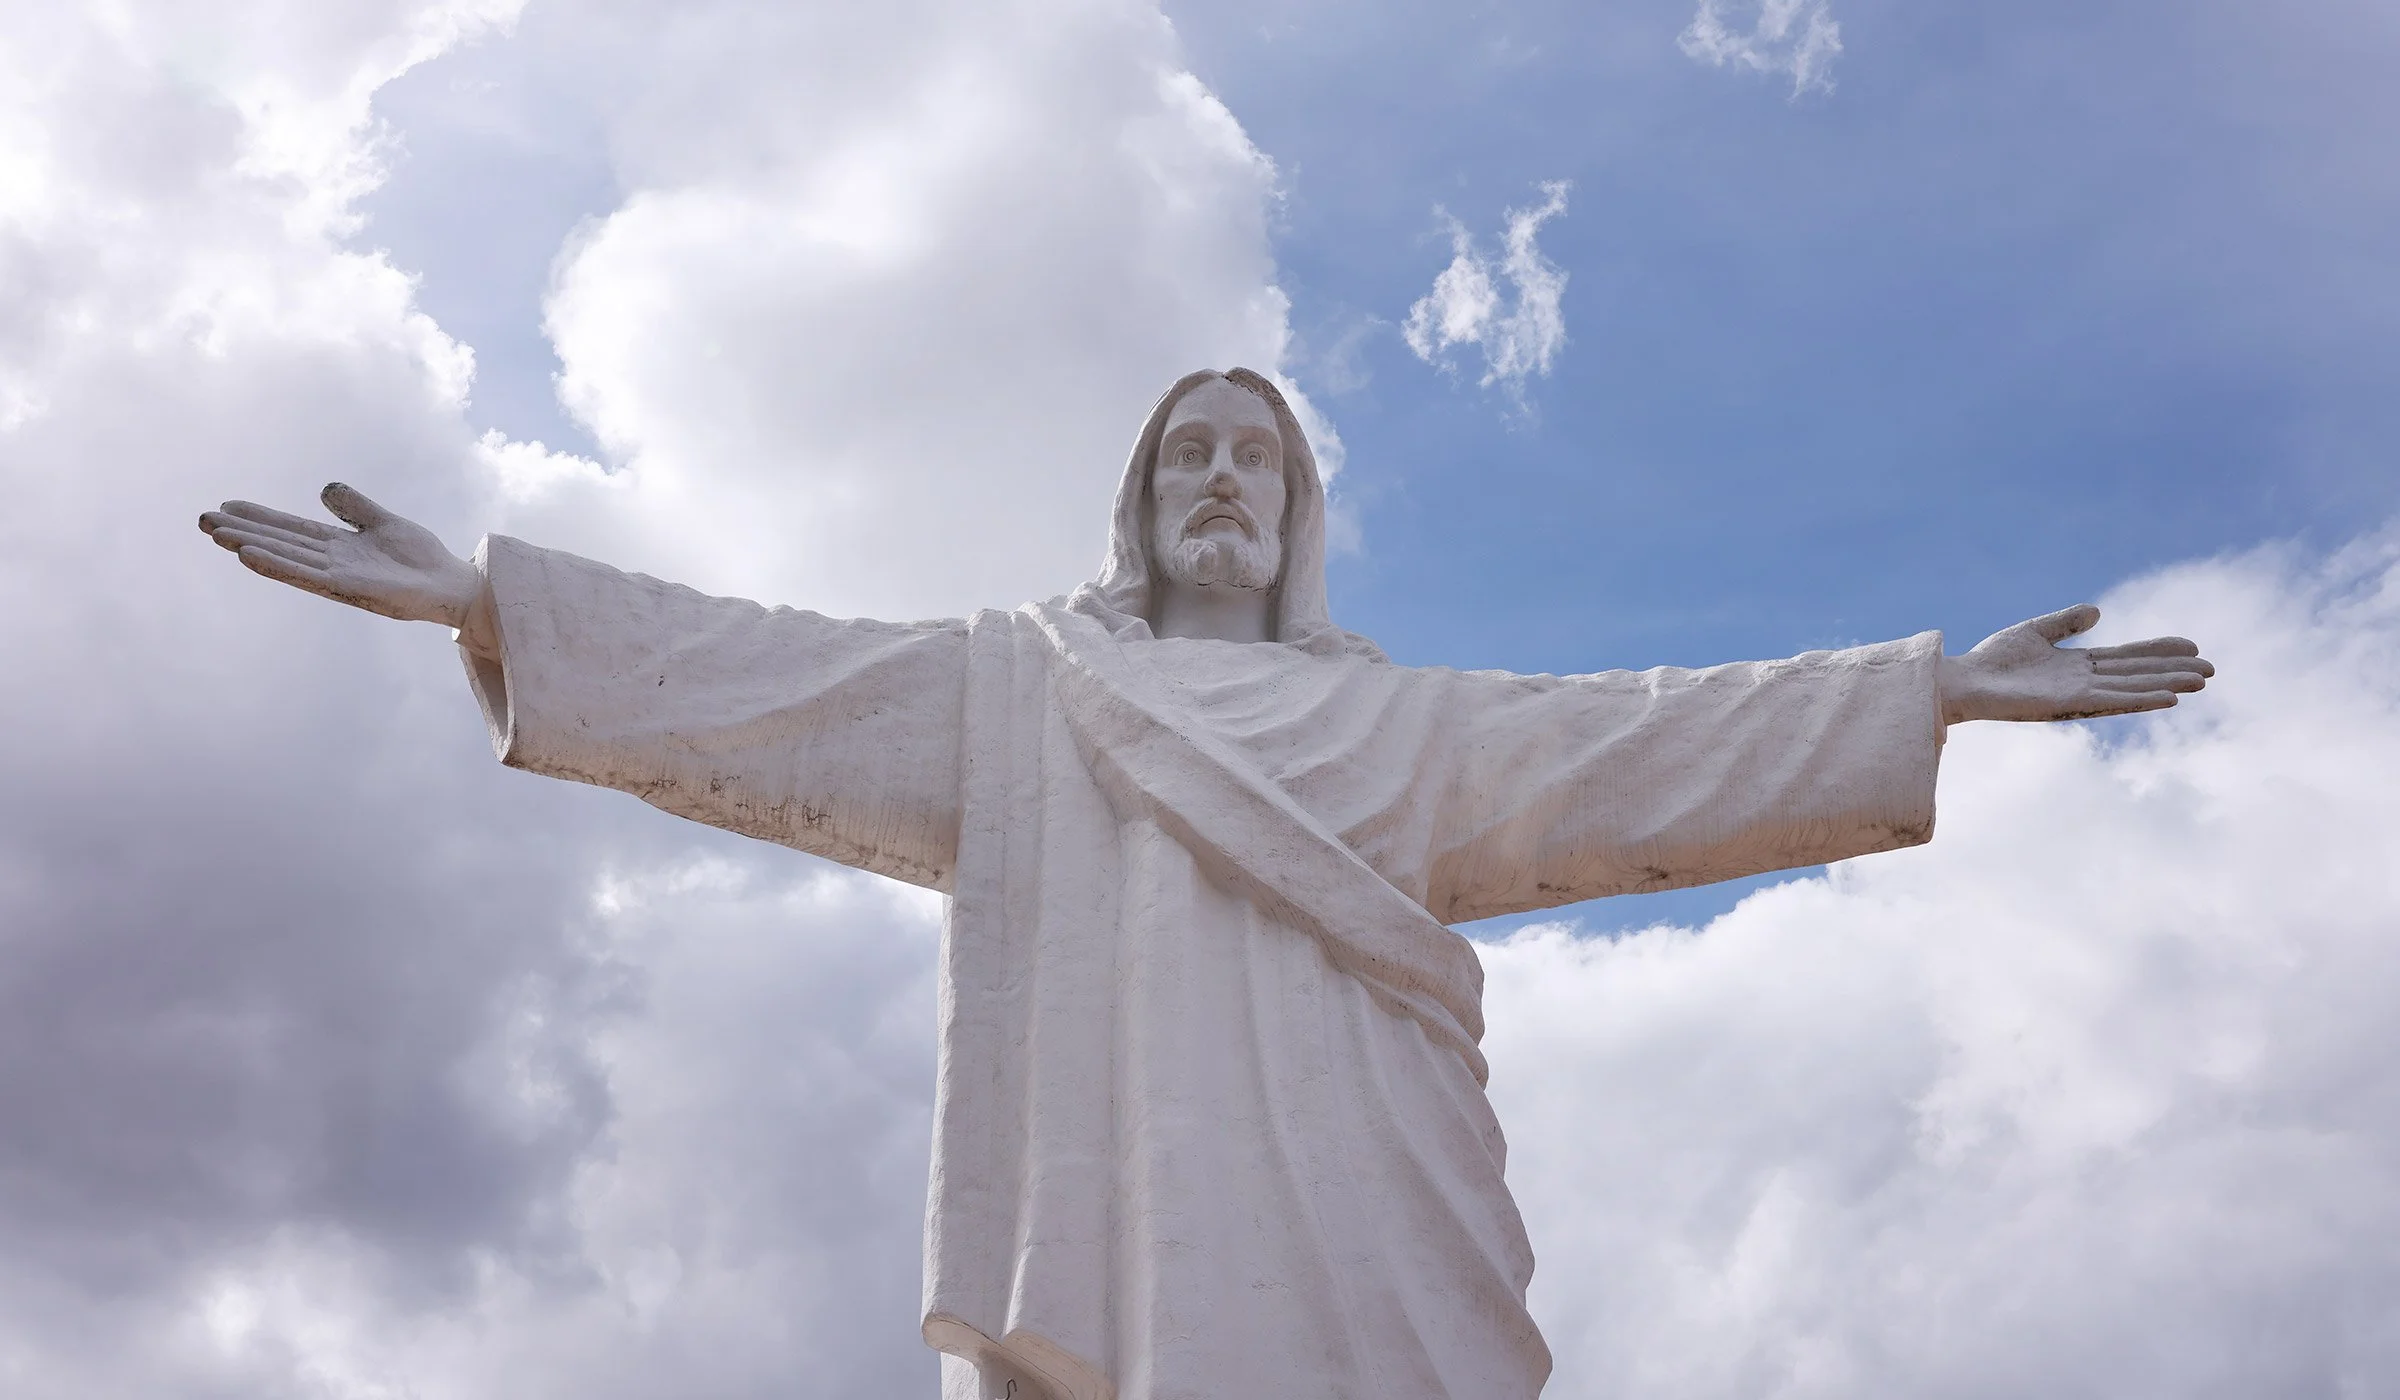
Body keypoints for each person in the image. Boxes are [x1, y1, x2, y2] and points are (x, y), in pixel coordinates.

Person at [200, 368, 2213, 1400]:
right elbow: (774, 679)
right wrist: (498, 606)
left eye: (1260, 454)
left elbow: (1645, 743)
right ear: (1146, 503)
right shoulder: (1020, 689)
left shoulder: (1411, 730)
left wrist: (1929, 694)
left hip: (1373, 1203)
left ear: (1303, 510)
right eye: (1193, 454)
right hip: (1127, 1217)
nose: (1226, 477)